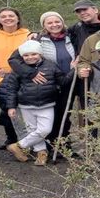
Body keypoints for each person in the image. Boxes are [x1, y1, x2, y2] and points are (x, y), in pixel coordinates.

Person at [1, 40, 67, 166]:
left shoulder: (51, 65)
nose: (30, 57)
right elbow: (11, 89)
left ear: (40, 54)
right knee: (32, 130)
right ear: (22, 56)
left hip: (46, 104)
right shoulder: (18, 70)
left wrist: (74, 70)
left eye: (33, 54)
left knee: (44, 129)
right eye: (26, 55)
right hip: (26, 104)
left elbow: (62, 81)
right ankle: (41, 153)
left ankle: (18, 145)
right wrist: (11, 106)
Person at [0, 8, 33, 149]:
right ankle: (11, 139)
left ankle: (29, 141)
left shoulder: (28, 34)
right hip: (1, 80)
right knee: (8, 109)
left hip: (24, 78)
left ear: (18, 18)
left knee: (25, 110)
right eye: (3, 16)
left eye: (11, 15)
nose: (7, 18)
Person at [32, 11, 77, 153]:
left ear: (62, 22)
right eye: (49, 22)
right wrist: (31, 73)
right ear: (44, 25)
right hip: (47, 83)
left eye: (57, 21)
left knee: (65, 114)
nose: (54, 25)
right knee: (50, 115)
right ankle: (47, 146)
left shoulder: (72, 37)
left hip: (69, 81)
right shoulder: (37, 40)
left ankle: (63, 145)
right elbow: (18, 59)